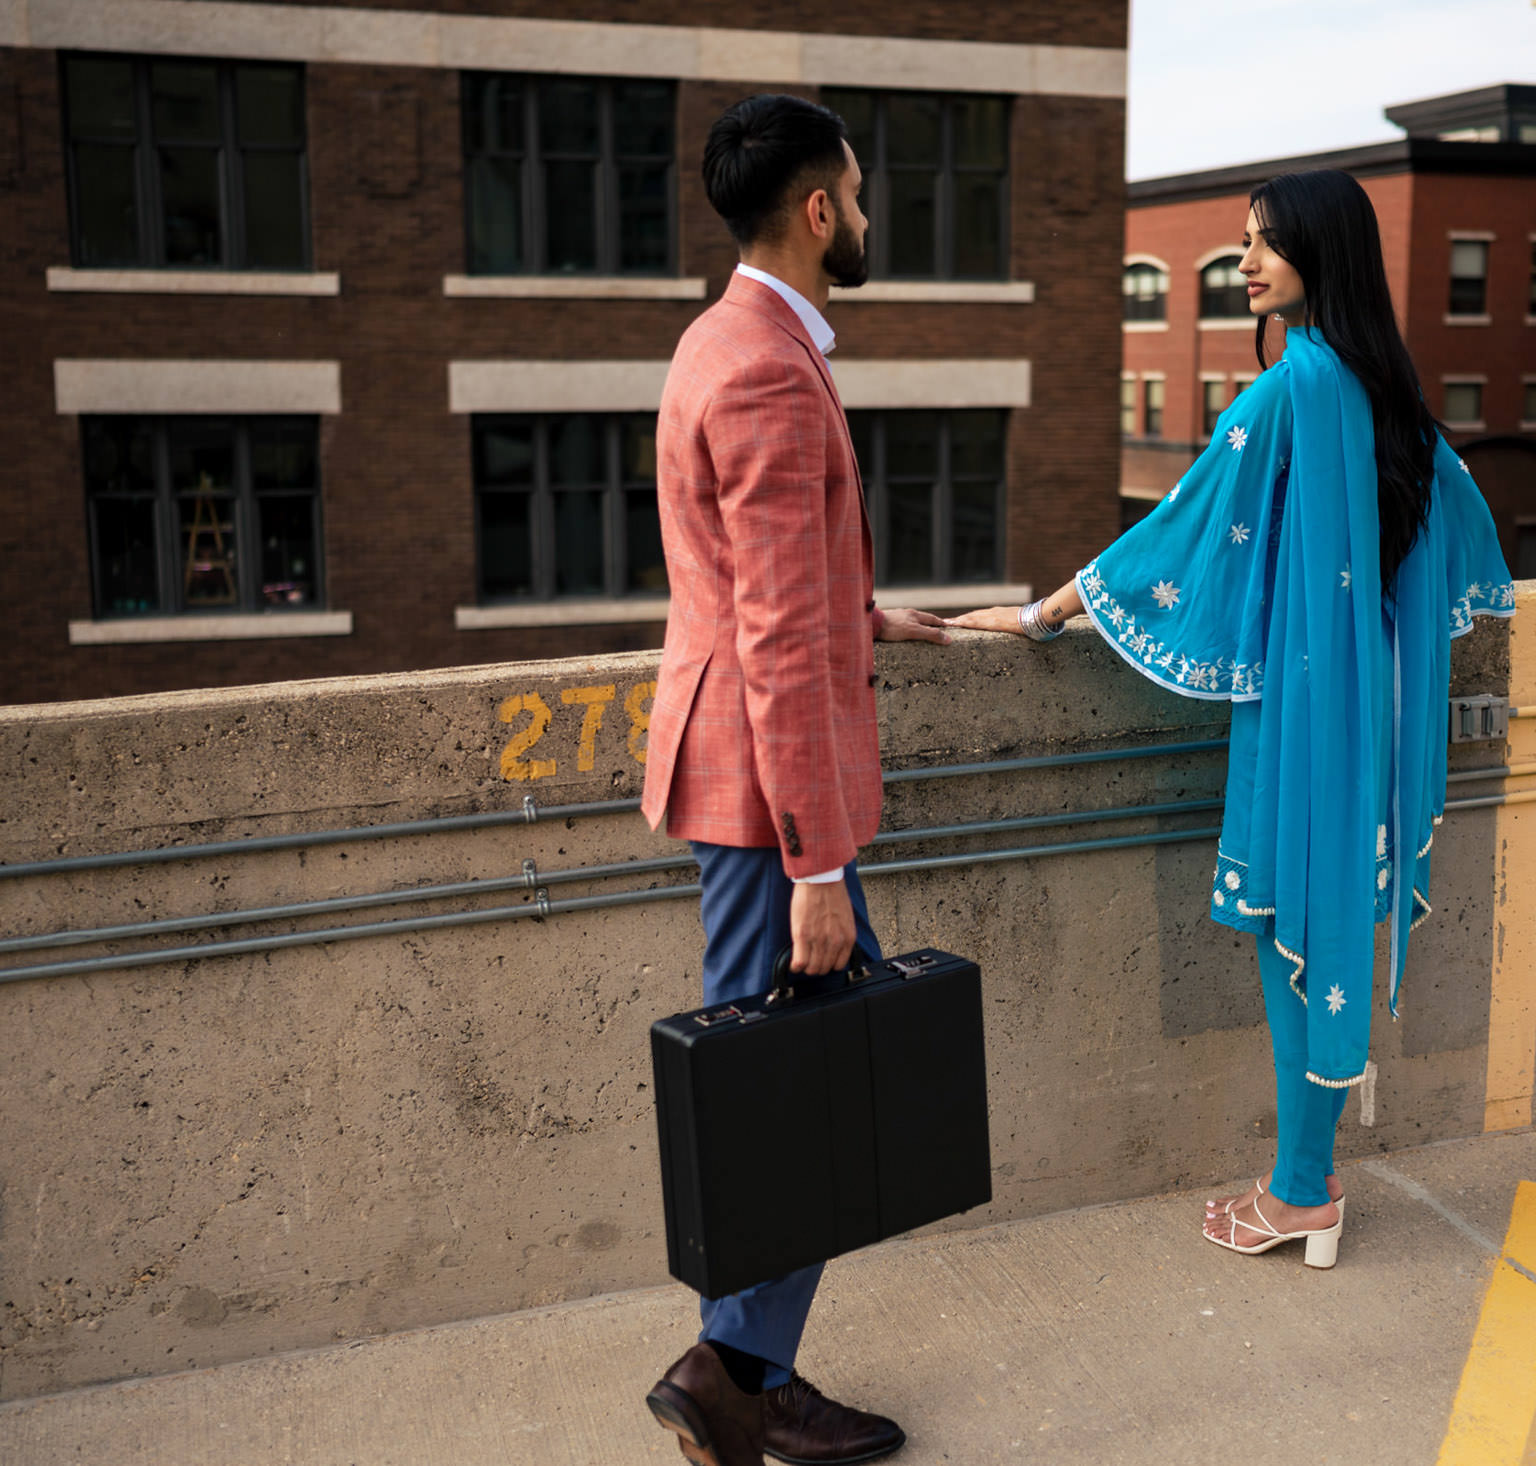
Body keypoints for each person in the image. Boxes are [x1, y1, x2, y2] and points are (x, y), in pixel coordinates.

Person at [952, 169, 1515, 1268]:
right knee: (1326, 924)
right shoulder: (1384, 389)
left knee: (1281, 927)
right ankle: (1307, 1177)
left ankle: (1303, 1190)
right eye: (1243, 241)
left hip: (1302, 714)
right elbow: (1465, 531)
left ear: (1323, 255)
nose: (1246, 261)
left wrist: (1040, 613)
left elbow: (1176, 534)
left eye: (1265, 243)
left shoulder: (1282, 393)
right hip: (1374, 711)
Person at [640, 93, 949, 1466]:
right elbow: (762, 627)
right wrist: (817, 858)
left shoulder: (722, 335)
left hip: (751, 777)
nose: (867, 218)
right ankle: (728, 1379)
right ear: (820, 209)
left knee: (811, 1084)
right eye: (861, 196)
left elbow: (760, 577)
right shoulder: (767, 364)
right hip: (772, 803)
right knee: (801, 1094)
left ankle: (748, 1374)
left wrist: (866, 606)